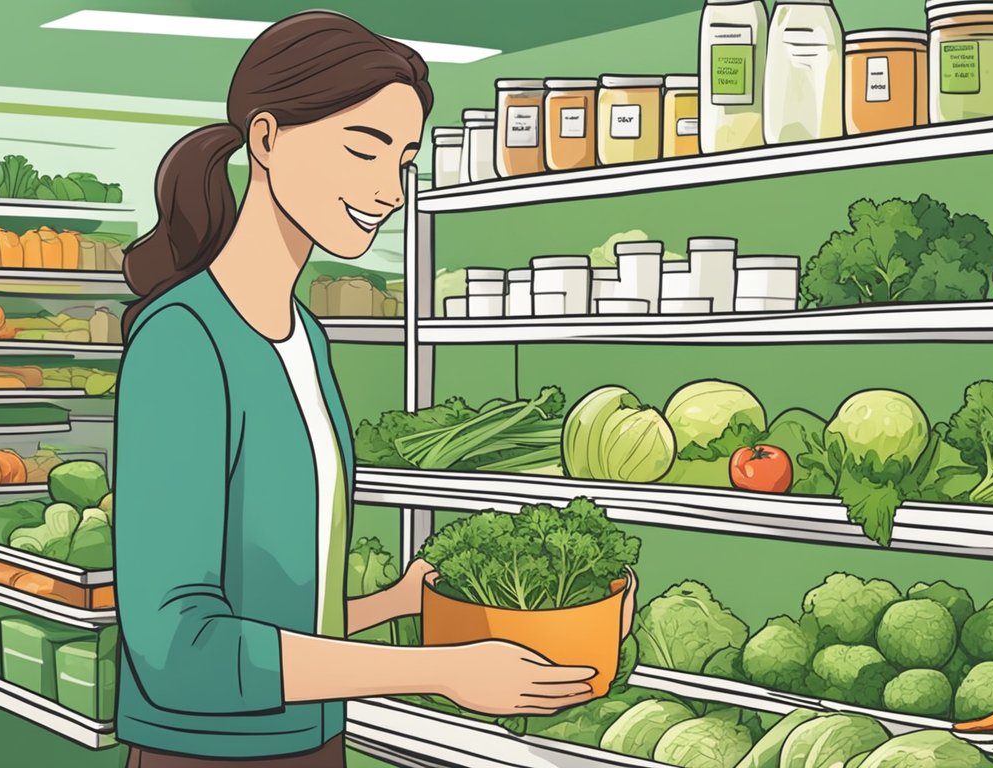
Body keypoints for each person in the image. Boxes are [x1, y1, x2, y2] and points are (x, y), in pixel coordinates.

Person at [114, 12, 622, 767]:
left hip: (316, 739)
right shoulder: (184, 342)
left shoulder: (306, 339)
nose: (388, 190)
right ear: (265, 139)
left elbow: (275, 621)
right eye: (364, 149)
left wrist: (394, 604)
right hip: (207, 755)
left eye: (406, 160)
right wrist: (441, 671)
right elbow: (179, 651)